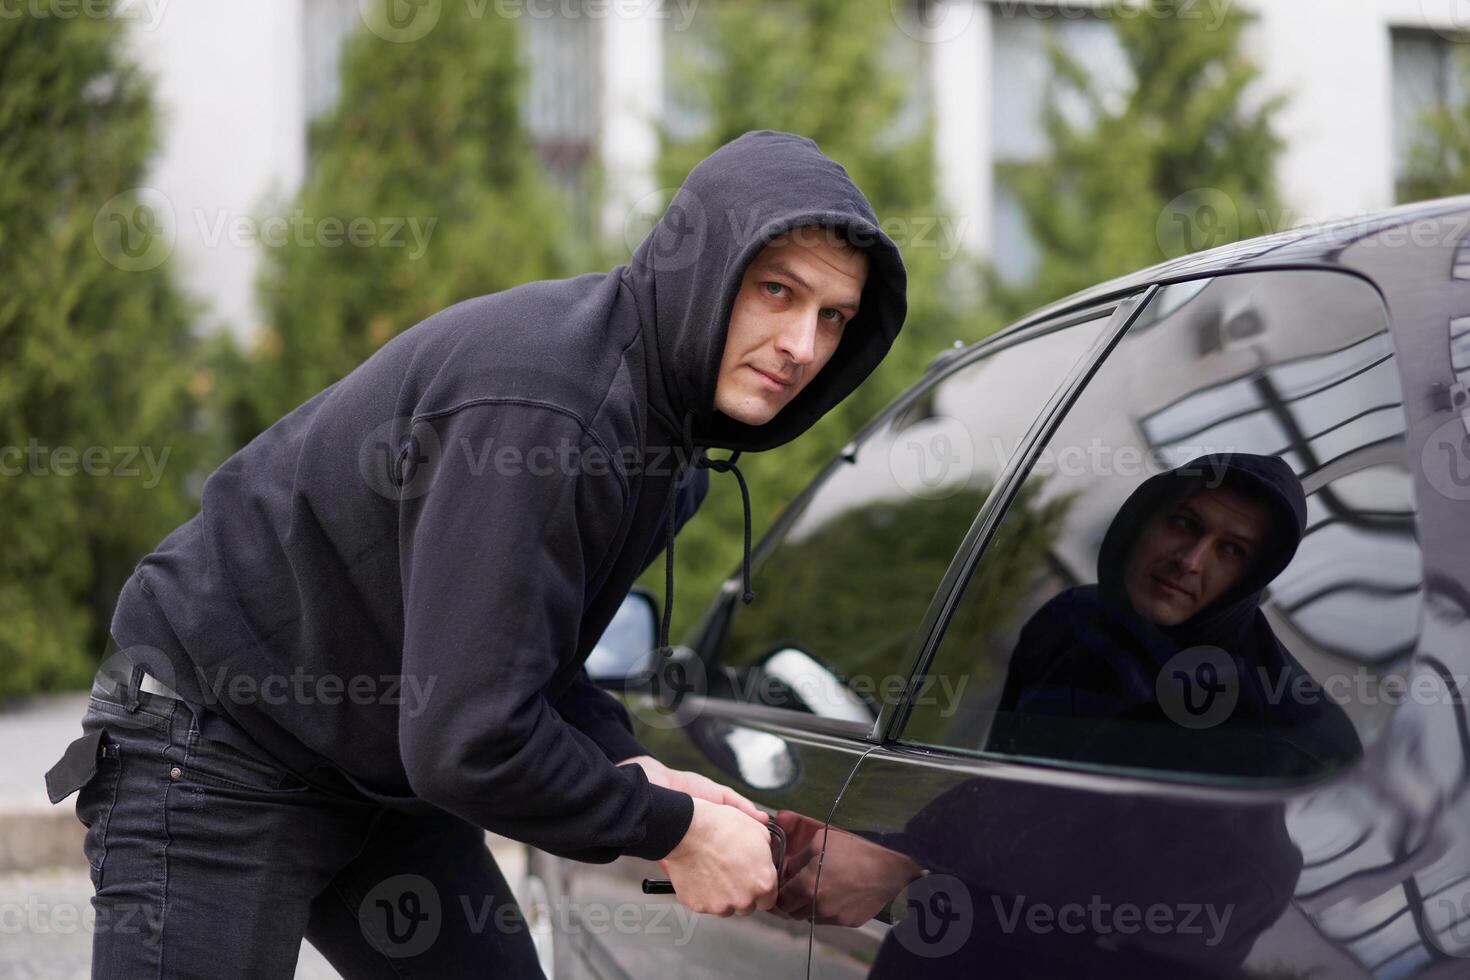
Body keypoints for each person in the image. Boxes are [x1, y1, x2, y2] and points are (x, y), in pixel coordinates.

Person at [42, 130, 907, 978]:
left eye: (833, 317)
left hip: (378, 764)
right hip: (215, 743)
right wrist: (672, 829)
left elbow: (517, 665)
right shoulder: (554, 411)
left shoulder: (665, 451)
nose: (802, 346)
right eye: (776, 292)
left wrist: (637, 766)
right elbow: (469, 738)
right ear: (707, 269)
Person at [990, 452, 1362, 776]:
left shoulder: (1289, 738)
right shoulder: (1069, 621)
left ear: (1251, 580)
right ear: (1142, 519)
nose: (1190, 561)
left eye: (1232, 550)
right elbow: (992, 781)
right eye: (1185, 524)